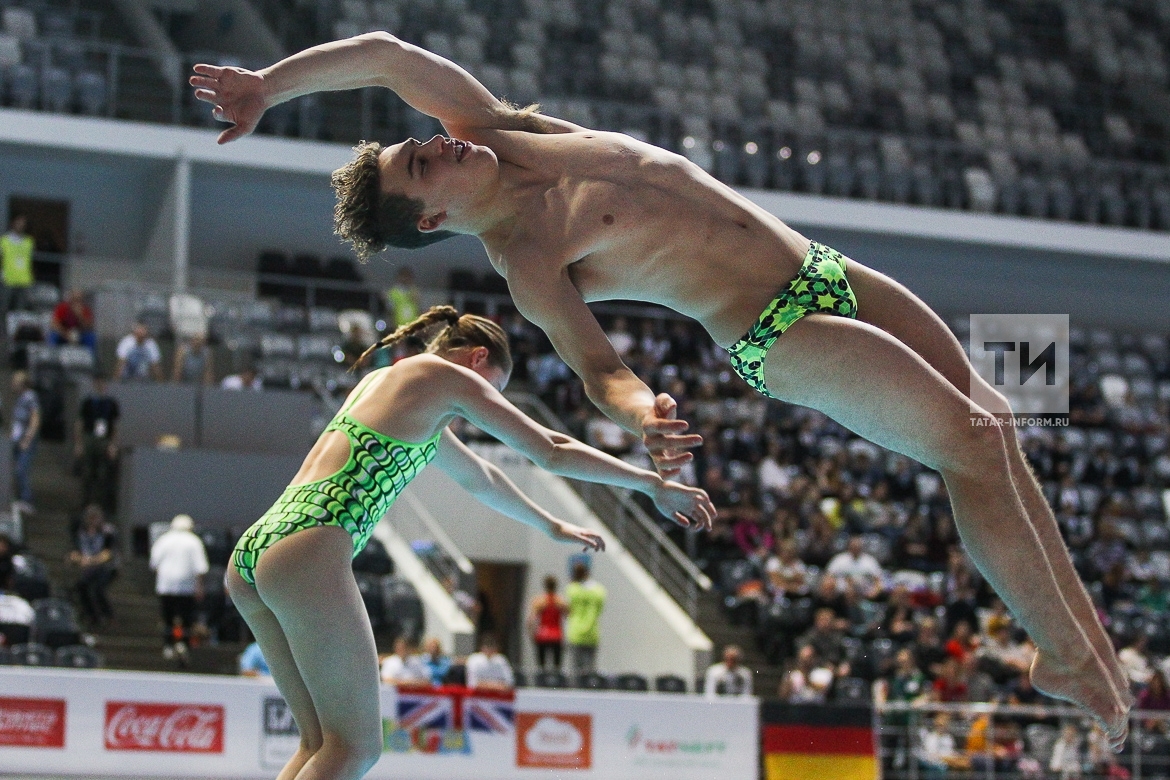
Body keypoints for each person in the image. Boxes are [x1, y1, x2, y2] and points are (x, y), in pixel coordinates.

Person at [193, 32, 1132, 745]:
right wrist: (646, 413)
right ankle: (1062, 653)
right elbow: (599, 368)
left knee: (1001, 421)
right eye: (422, 162)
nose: (433, 141)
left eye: (421, 141)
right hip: (776, 328)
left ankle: (1074, 647)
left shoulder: (500, 133)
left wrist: (267, 87)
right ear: (434, 214)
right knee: (965, 442)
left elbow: (385, 54)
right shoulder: (525, 258)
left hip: (820, 267)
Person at [220, 306, 713, 780]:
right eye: (492, 391)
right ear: (477, 359)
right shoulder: (444, 378)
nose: (483, 404)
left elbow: (482, 479)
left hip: (260, 550)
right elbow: (550, 448)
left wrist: (549, 525)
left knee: (320, 744)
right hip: (310, 546)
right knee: (357, 748)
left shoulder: (399, 386)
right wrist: (652, 484)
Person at [149, 514, 209, 665]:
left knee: (168, 618)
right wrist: (199, 587)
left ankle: (168, 645)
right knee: (186, 619)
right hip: (186, 587)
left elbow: (154, 564)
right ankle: (183, 643)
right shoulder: (194, 541)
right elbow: (201, 568)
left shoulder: (163, 540)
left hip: (166, 585)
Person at [66, 504, 118, 628]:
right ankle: (91, 615)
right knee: (81, 587)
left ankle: (109, 615)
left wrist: (91, 560)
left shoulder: (108, 532)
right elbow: (74, 552)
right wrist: (78, 558)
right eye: (90, 518)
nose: (93, 522)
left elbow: (108, 553)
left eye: (95, 518)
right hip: (90, 566)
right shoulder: (80, 532)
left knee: (98, 589)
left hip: (107, 567)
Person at [75, 374, 120, 511]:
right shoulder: (88, 402)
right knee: (88, 471)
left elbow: (115, 425)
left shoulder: (111, 403)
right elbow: (80, 423)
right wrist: (79, 444)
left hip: (104, 439)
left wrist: (113, 444)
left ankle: (101, 504)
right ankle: (86, 502)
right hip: (90, 437)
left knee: (103, 472)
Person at [566, 560, 606, 679]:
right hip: (592, 632)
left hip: (576, 632)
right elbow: (600, 608)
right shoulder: (599, 590)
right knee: (590, 672)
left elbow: (568, 609)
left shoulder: (572, 589)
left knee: (576, 671)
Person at [10, 371, 39, 513]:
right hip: (17, 439)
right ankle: (19, 498)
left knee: (21, 469)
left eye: (15, 382)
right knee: (15, 470)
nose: (12, 385)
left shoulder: (30, 396)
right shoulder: (20, 398)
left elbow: (35, 418)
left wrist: (28, 437)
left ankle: (27, 500)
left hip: (25, 440)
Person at [527, 574, 567, 672]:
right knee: (557, 667)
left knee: (541, 666)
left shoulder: (539, 601)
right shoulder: (561, 601)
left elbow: (531, 620)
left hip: (542, 634)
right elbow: (568, 616)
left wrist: (531, 634)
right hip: (557, 634)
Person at [1, 214, 34, 315]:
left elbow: (30, 262)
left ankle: (16, 330)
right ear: (13, 224)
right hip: (8, 279)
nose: (21, 225)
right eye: (18, 223)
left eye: (23, 223)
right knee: (4, 308)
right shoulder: (4, 241)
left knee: (20, 311)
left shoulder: (29, 242)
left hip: (24, 280)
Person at [49, 289, 96, 354]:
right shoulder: (63, 308)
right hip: (64, 334)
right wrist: (66, 334)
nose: (76, 303)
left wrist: (80, 316)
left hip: (80, 334)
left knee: (91, 337)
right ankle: (52, 354)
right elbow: (54, 324)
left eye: (79, 300)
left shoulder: (85, 310)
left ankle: (91, 357)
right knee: (53, 335)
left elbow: (88, 327)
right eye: (75, 300)